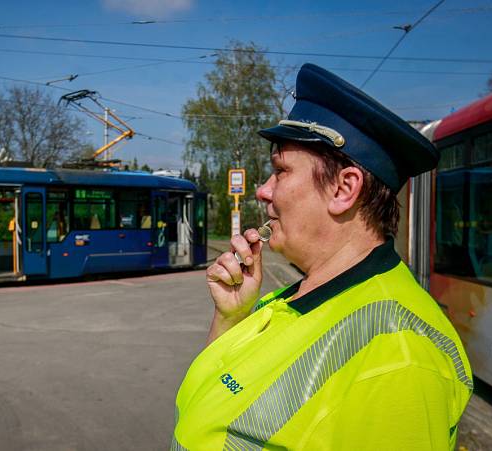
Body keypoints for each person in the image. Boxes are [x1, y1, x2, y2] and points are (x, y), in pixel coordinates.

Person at [171, 64, 472, 450]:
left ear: (344, 188)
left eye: (280, 171)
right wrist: (230, 317)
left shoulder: (401, 353)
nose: (263, 191)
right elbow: (218, 397)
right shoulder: (298, 296)